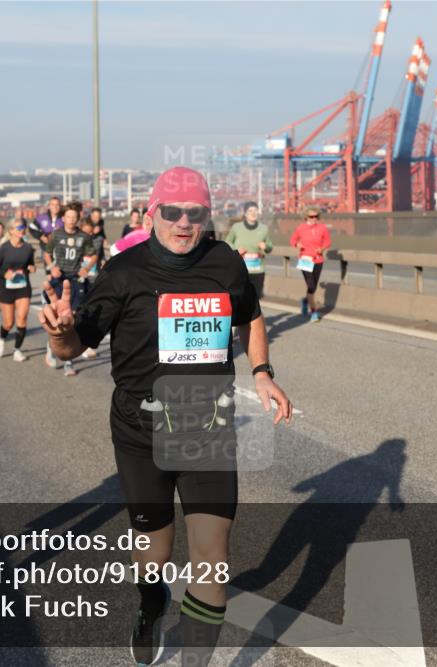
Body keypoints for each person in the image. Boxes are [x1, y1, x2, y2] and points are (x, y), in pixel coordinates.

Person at [40, 167, 292, 666]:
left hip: (206, 425)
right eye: (172, 212)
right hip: (140, 431)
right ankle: (150, 603)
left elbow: (250, 315)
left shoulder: (225, 263)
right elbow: (74, 347)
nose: (183, 223)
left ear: (206, 216)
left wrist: (261, 370)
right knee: (153, 553)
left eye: (195, 213)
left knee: (213, 558)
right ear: (152, 212)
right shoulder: (123, 272)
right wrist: (56, 333)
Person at [43, 207, 96, 377]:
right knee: (57, 315)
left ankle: (68, 361)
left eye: (74, 217)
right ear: (63, 218)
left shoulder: (84, 237)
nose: (72, 220)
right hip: (59, 278)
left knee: (70, 318)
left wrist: (86, 268)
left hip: (75, 279)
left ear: (78, 219)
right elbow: (46, 253)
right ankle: (52, 347)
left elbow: (93, 254)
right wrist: (52, 267)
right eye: (68, 217)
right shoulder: (56, 235)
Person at [0, 220, 35, 361]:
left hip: (23, 287)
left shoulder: (28, 248)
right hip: (6, 288)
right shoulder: (4, 248)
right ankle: (2, 340)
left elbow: (31, 264)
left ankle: (17, 350)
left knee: (21, 321)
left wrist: (31, 268)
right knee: (9, 323)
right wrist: (4, 274)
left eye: (23, 227)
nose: (22, 230)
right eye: (19, 227)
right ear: (11, 231)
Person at [289, 206, 331, 322]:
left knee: (313, 287)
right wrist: (298, 245)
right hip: (305, 260)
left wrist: (322, 249)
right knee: (311, 286)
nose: (314, 219)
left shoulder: (322, 228)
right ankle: (314, 312)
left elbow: (328, 242)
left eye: (316, 216)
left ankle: (305, 301)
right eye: (311, 217)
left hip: (318, 260)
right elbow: (292, 240)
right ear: (306, 217)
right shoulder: (301, 228)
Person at [225, 201, 273, 300]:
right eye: (250, 211)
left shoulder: (264, 229)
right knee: (241, 297)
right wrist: (236, 249)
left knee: (256, 298)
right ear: (245, 213)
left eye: (255, 210)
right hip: (240, 269)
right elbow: (227, 242)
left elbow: (270, 247)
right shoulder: (236, 227)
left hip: (258, 269)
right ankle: (242, 315)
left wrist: (266, 247)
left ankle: (252, 315)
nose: (253, 213)